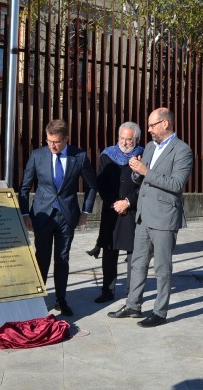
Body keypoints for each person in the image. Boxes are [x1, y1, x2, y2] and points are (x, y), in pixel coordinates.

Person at [107, 107, 194, 327]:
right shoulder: (148, 147)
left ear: (165, 123)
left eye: (152, 125)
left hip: (164, 217)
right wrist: (136, 172)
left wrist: (145, 171)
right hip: (144, 216)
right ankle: (133, 305)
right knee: (137, 263)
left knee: (163, 268)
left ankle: (160, 311)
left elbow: (176, 184)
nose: (149, 130)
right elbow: (141, 180)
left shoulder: (182, 150)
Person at [19, 119, 97, 316]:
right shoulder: (38, 156)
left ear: (66, 139)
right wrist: (25, 213)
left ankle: (61, 300)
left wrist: (86, 211)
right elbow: (25, 187)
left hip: (67, 216)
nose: (52, 145)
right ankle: (38, 299)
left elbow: (91, 186)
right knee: (42, 258)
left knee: (62, 258)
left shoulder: (78, 157)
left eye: (56, 142)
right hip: (42, 216)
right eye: (48, 141)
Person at [93, 122, 144, 303]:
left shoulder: (144, 155)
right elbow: (101, 181)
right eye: (121, 138)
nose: (124, 142)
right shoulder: (108, 155)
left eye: (128, 139)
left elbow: (145, 185)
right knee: (109, 250)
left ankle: (132, 291)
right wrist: (115, 202)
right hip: (111, 209)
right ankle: (108, 290)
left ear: (136, 139)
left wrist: (128, 202)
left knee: (134, 253)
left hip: (133, 211)